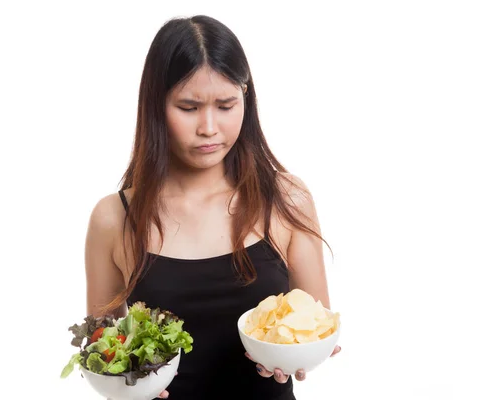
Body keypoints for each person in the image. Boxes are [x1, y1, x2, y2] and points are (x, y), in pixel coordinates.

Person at [84, 14, 341, 400]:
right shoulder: (113, 217)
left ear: (246, 99)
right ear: (156, 106)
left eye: (226, 105)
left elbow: (318, 326)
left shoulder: (287, 200)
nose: (208, 127)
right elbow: (104, 349)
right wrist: (125, 382)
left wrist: (301, 355)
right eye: (188, 107)